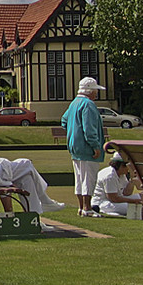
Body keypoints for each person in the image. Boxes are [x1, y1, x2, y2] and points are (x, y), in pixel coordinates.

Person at [60, 76, 106, 217]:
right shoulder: (88, 105)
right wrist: (96, 146)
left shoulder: (74, 103)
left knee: (79, 178)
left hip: (75, 147)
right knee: (88, 178)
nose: (96, 94)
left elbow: (64, 121)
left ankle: (81, 208)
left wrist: (74, 133)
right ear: (90, 91)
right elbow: (89, 128)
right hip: (86, 148)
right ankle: (87, 208)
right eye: (95, 91)